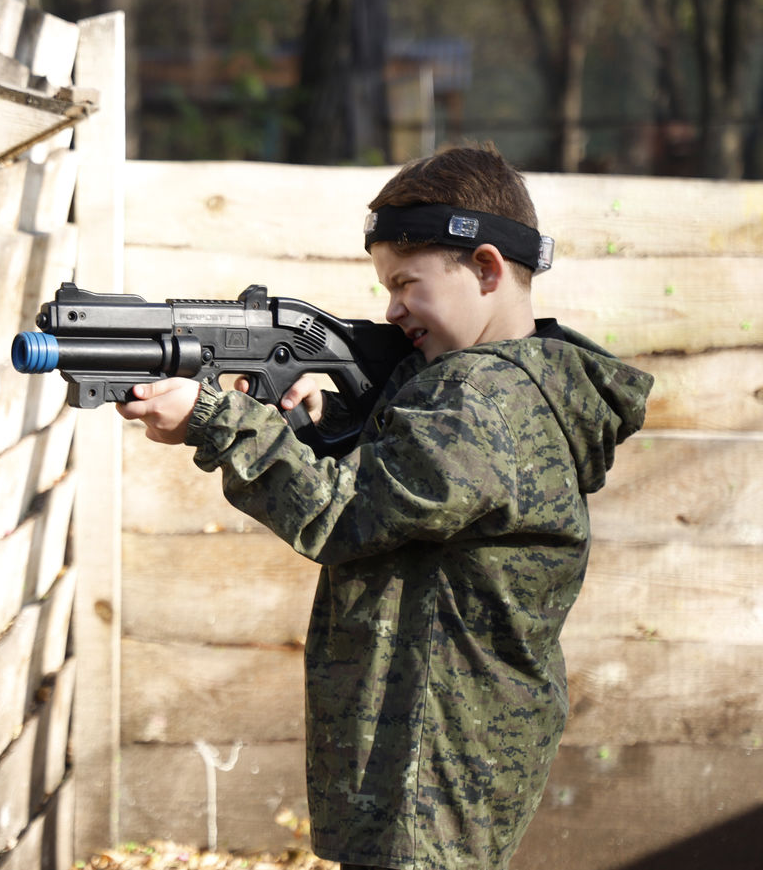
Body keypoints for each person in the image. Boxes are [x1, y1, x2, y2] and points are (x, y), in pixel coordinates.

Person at [116, 144, 654, 870]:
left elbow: (344, 517)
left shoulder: (482, 401)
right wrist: (310, 424)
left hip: (431, 766)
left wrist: (213, 418)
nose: (392, 308)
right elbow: (403, 512)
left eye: (408, 283)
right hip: (445, 753)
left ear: (488, 269)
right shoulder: (492, 389)